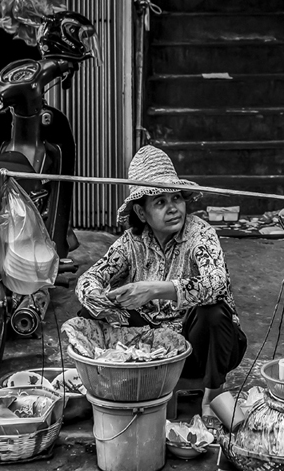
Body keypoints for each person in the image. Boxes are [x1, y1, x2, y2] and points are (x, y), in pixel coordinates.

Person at [75, 145, 248, 417]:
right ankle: (115, 380)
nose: (173, 208)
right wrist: (101, 297)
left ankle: (212, 397)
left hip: (196, 349)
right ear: (142, 213)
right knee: (89, 313)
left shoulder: (200, 233)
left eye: (176, 198)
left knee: (213, 313)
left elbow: (217, 284)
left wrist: (154, 290)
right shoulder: (131, 244)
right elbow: (89, 278)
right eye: (160, 202)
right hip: (148, 349)